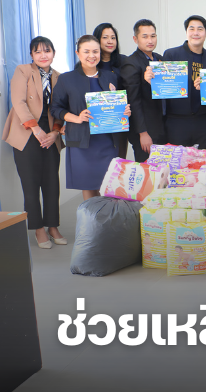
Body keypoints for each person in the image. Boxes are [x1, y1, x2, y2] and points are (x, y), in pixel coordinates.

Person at [3, 37, 66, 249]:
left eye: (47, 50)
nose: (43, 55)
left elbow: (61, 108)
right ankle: (38, 229)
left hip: (50, 133)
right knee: (30, 184)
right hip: (26, 131)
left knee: (52, 182)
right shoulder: (23, 71)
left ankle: (53, 226)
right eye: (37, 51)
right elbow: (18, 101)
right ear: (31, 55)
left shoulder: (59, 77)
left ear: (54, 53)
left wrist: (55, 132)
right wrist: (36, 129)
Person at [51, 35, 131, 201]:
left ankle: (107, 218)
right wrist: (77, 118)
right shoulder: (66, 79)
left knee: (110, 186)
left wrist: (124, 112)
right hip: (82, 142)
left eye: (95, 51)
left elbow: (116, 104)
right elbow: (56, 108)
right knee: (88, 186)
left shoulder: (110, 77)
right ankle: (91, 218)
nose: (91, 55)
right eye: (86, 51)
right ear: (78, 53)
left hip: (108, 141)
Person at [149, 15, 206, 149]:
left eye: (200, 29)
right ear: (186, 32)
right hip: (176, 121)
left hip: (203, 122)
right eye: (191, 29)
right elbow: (164, 87)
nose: (196, 33)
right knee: (177, 160)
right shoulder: (171, 55)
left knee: (202, 159)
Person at [119, 19, 165, 162]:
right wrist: (142, 133)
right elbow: (133, 100)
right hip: (146, 130)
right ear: (135, 39)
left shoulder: (160, 60)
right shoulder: (130, 63)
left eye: (153, 36)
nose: (150, 40)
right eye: (145, 36)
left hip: (162, 125)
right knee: (147, 171)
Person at [93, 23, 127, 158]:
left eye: (113, 38)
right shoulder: (90, 64)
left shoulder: (124, 61)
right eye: (105, 37)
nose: (110, 41)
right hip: (97, 121)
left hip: (120, 121)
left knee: (119, 161)